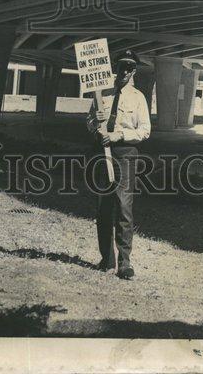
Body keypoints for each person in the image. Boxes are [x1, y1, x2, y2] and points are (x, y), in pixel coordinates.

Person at [86, 49, 151, 280]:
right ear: (116, 68)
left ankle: (125, 262)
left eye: (130, 67)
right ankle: (107, 259)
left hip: (125, 154)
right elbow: (89, 121)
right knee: (103, 206)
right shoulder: (101, 94)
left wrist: (119, 135)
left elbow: (145, 131)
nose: (125, 71)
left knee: (124, 206)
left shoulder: (138, 97)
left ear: (134, 71)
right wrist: (96, 124)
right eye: (122, 66)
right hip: (102, 154)